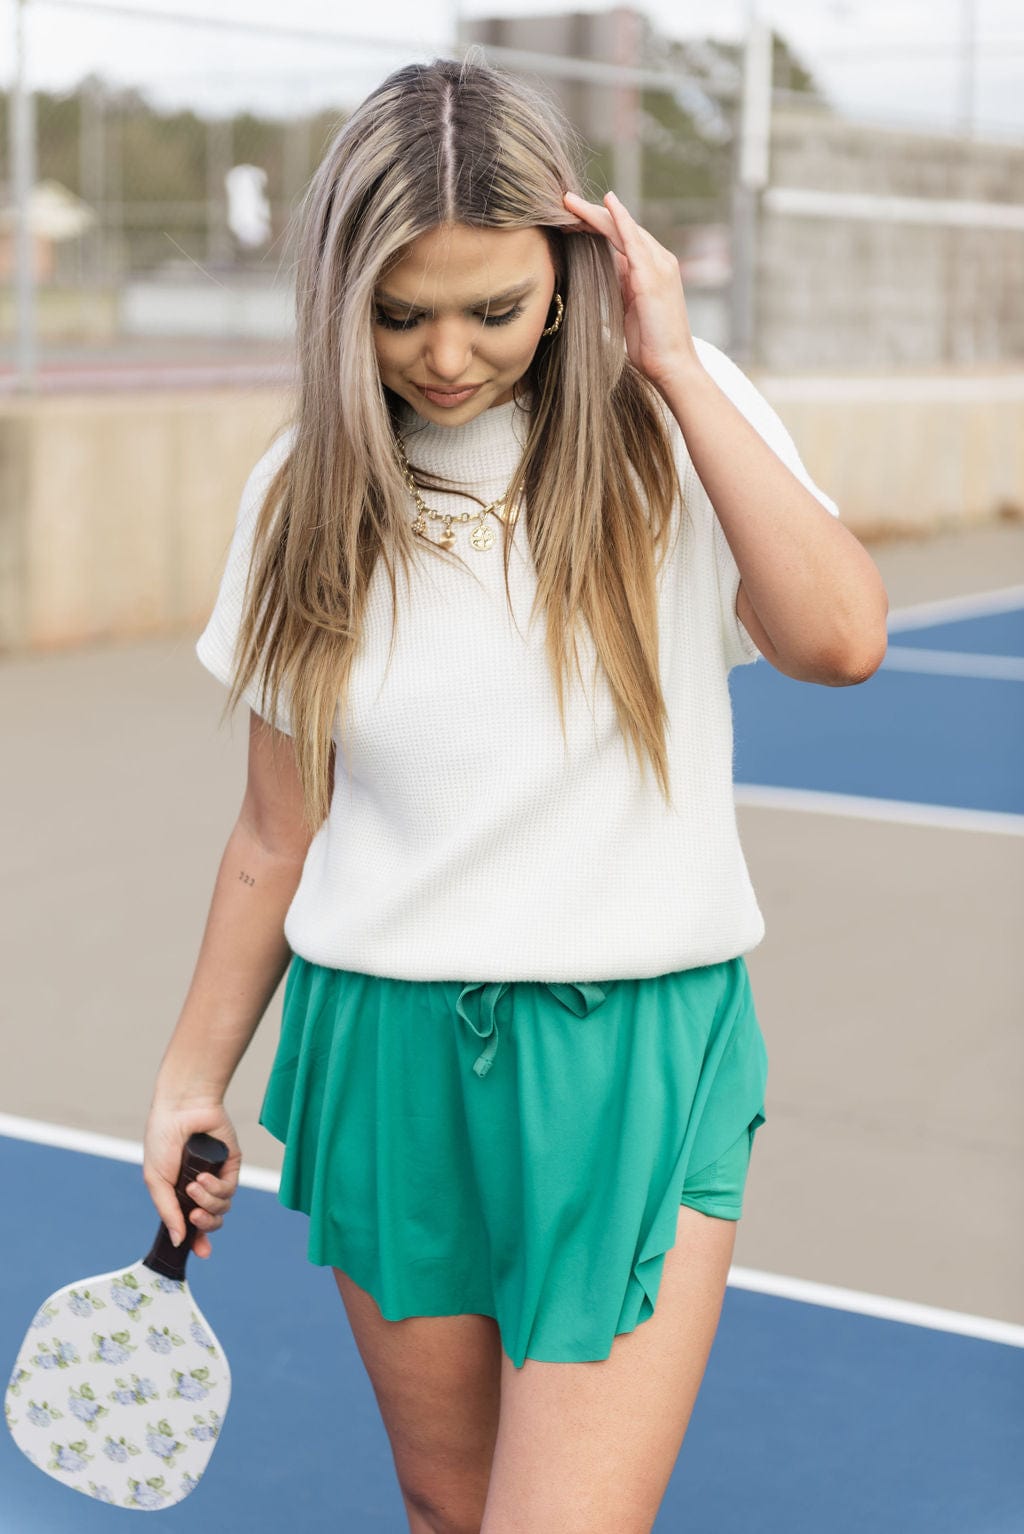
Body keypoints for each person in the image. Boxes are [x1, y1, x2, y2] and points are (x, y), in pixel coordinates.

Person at [142, 54, 888, 1534]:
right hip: (383, 1054)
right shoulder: (307, 492)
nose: (444, 355)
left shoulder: (671, 425)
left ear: (570, 270)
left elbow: (840, 639)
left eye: (495, 308)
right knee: (448, 1507)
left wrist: (670, 358)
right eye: (400, 311)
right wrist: (188, 1078)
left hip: (636, 1052)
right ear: (341, 293)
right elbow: (277, 830)